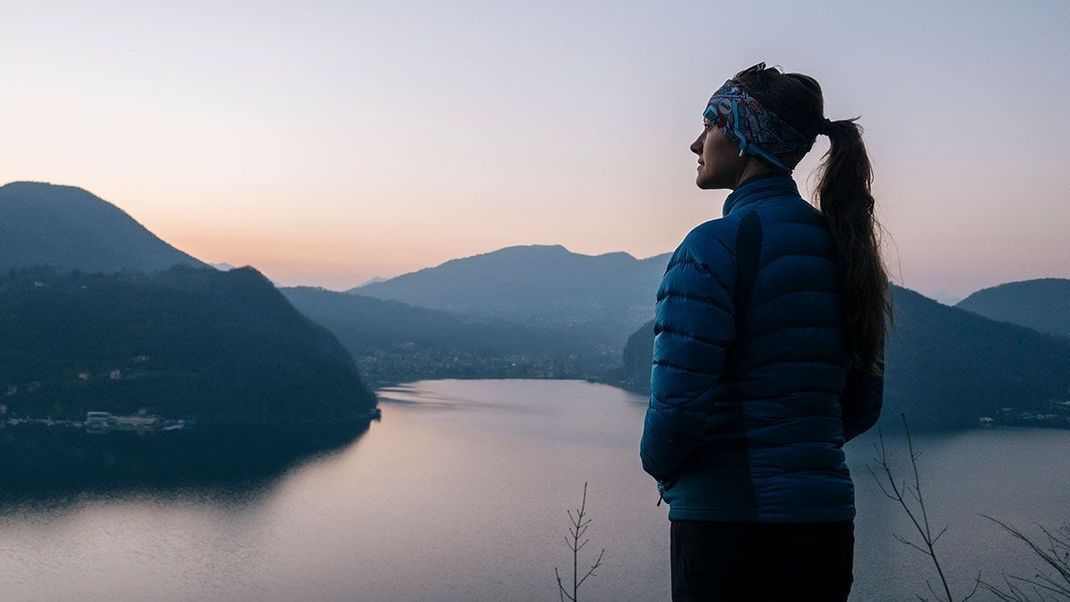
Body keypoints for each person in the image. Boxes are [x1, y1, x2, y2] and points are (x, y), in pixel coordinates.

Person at [639, 62, 894, 601]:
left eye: (709, 123)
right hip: (825, 529)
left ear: (744, 135)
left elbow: (678, 410)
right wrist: (795, 448)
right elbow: (862, 402)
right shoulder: (847, 252)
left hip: (729, 530)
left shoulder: (715, 246)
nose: (694, 143)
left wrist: (664, 470)